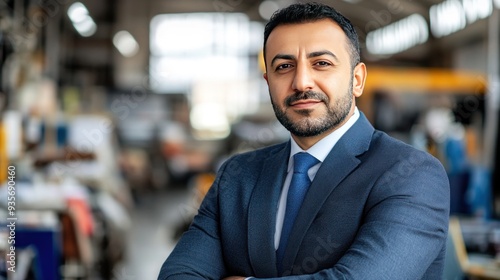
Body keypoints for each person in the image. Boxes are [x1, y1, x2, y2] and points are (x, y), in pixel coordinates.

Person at [158, 2, 450, 279]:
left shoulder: (412, 173)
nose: (301, 82)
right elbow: (178, 274)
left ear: (357, 79)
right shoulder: (236, 176)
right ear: (268, 83)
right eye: (284, 67)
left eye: (321, 63)